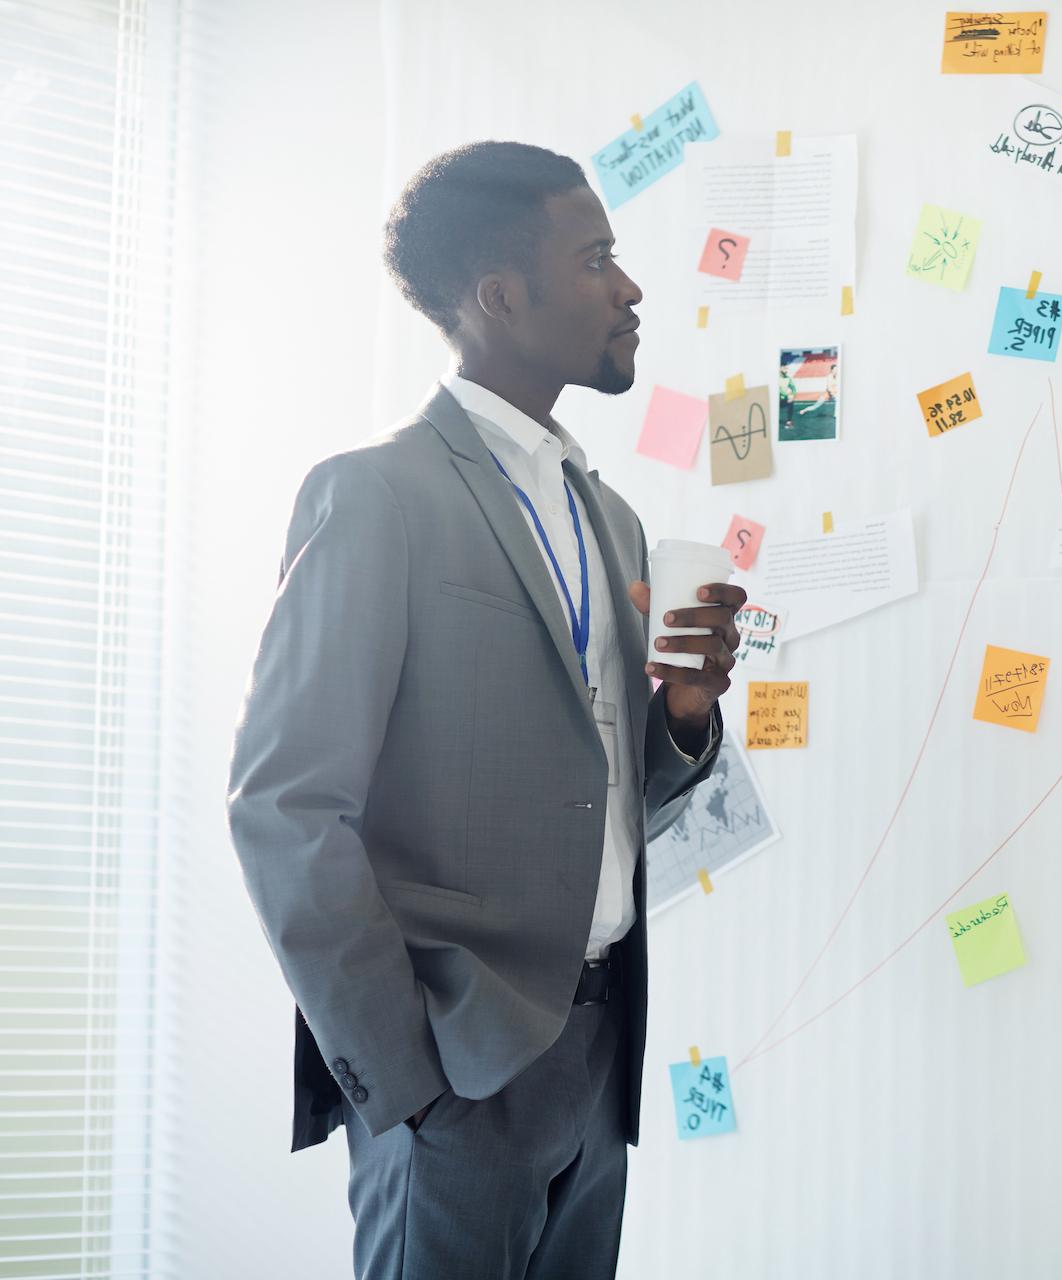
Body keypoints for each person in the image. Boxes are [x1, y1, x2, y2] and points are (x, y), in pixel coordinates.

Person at [226, 140, 748, 1279]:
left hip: (602, 1053)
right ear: (500, 295)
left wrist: (688, 717)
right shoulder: (376, 495)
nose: (631, 286)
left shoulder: (612, 520)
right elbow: (284, 806)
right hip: (457, 1066)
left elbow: (595, 796)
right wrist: (404, 1077)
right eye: (598, 257)